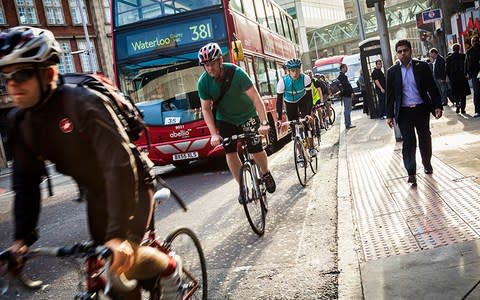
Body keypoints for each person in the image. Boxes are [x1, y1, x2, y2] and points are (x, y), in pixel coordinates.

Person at [0, 26, 183, 299]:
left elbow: (119, 164)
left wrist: (118, 235)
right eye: (6, 77)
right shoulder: (20, 121)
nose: (12, 84)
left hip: (131, 181)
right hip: (97, 194)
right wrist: (22, 239)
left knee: (122, 261)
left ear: (48, 73)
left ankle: (170, 268)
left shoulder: (84, 103)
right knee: (116, 287)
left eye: (22, 74)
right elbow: (26, 182)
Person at [197, 42, 276, 204]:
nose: (209, 68)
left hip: (247, 116)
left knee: (255, 148)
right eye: (206, 65)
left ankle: (266, 172)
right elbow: (206, 109)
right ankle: (242, 187)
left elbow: (255, 97)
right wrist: (213, 134)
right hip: (225, 119)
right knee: (230, 151)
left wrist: (263, 122)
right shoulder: (203, 82)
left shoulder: (237, 73)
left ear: (220, 60)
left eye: (212, 63)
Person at [385, 39, 443, 185]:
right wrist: (389, 116)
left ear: (411, 51)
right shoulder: (392, 72)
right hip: (404, 113)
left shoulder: (421, 66)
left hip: (421, 109)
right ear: (396, 54)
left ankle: (427, 163)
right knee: (409, 142)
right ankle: (411, 172)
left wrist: (437, 106)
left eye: (405, 50)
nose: (403, 53)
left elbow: (432, 87)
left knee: (425, 138)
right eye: (399, 51)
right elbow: (390, 96)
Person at [275, 58, 316, 159]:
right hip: (290, 103)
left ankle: (311, 147)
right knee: (294, 128)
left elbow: (309, 98)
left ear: (300, 70)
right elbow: (279, 102)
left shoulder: (305, 78)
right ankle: (300, 154)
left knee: (306, 123)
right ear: (288, 71)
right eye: (292, 71)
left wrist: (308, 113)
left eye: (297, 70)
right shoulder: (282, 82)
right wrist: (279, 118)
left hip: (302, 100)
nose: (295, 73)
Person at [446, 43, 471, 114]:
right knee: (463, 95)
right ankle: (463, 109)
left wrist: (449, 77)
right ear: (459, 49)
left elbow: (447, 70)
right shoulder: (463, 56)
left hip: (454, 79)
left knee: (456, 94)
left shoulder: (449, 58)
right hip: (462, 78)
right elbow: (467, 66)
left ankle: (457, 105)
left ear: (453, 49)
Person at [465, 35, 480, 117]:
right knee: (477, 92)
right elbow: (466, 63)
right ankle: (477, 110)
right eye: (473, 41)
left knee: (477, 92)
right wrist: (467, 73)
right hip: (475, 74)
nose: (474, 43)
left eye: (475, 41)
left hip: (476, 72)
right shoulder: (469, 51)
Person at [337, 63, 355, 129]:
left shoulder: (343, 76)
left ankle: (348, 123)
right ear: (342, 68)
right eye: (345, 67)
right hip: (346, 95)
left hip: (347, 95)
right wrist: (351, 92)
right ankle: (348, 124)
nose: (347, 68)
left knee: (348, 109)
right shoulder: (341, 77)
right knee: (348, 109)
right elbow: (346, 86)